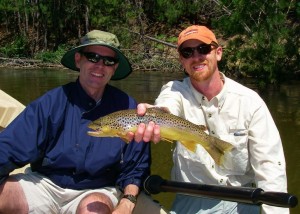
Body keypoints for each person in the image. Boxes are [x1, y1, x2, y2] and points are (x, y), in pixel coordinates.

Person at [132, 25, 288, 214]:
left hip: (243, 199)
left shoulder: (250, 101)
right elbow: (167, 105)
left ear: (218, 53)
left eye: (203, 49)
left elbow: (270, 164)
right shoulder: (174, 90)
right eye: (187, 52)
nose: (196, 57)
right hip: (191, 199)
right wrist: (157, 113)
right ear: (182, 60)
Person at [0, 30, 151, 214]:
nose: (100, 66)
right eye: (92, 57)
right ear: (79, 59)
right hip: (45, 185)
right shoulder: (50, 103)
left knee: (93, 209)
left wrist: (127, 202)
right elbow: (9, 148)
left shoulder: (129, 107)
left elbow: (136, 167)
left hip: (97, 189)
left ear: (114, 67)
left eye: (108, 61)